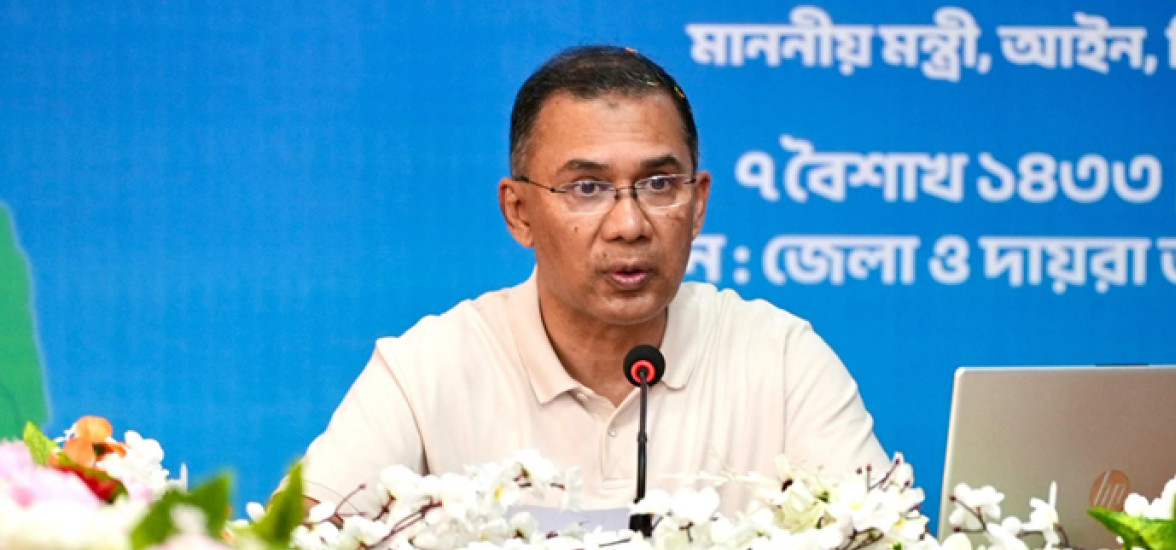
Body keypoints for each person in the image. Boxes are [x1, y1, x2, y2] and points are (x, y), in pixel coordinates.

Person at [300, 46, 888, 515]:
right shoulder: (428, 368)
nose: (629, 225)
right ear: (519, 212)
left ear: (698, 203)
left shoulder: (780, 358)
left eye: (660, 185)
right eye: (587, 188)